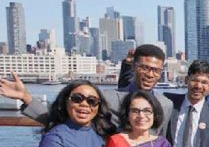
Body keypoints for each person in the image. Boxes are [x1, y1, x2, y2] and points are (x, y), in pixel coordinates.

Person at [2, 44, 174, 135]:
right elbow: (63, 119)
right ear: (134, 66)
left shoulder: (165, 104)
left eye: (156, 70)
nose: (150, 74)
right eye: (144, 68)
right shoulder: (108, 98)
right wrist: (26, 98)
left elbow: (163, 143)